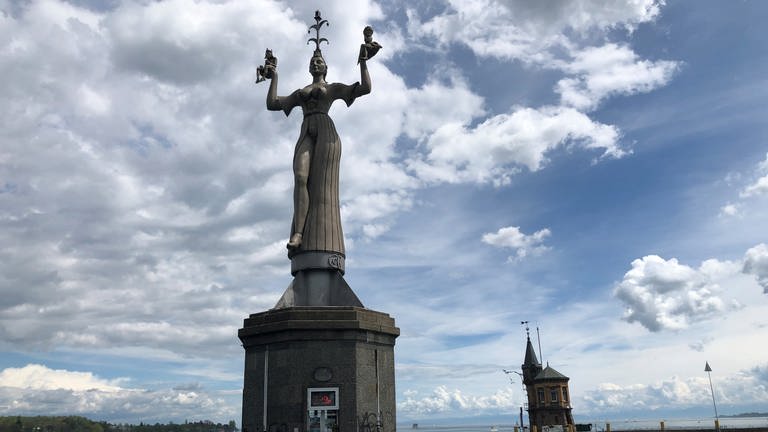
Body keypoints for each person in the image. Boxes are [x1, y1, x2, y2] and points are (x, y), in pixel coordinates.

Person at [264, 48, 371, 255]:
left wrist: (364, 61)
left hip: (325, 130)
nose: (315, 63)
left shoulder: (332, 88)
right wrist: (274, 76)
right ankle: (298, 233)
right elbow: (272, 104)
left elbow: (365, 88)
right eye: (312, 61)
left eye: (319, 61)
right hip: (306, 129)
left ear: (326, 68)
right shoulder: (300, 92)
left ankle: (315, 238)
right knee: (300, 177)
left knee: (322, 185)